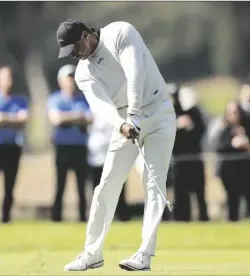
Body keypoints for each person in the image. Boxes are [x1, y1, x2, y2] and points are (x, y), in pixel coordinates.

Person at [56, 20, 176, 271]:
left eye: (75, 47)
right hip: (124, 122)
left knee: (154, 183)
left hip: (158, 111)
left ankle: (144, 254)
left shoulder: (120, 32)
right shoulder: (82, 72)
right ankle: (92, 253)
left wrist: (133, 115)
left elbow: (136, 73)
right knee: (107, 185)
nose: (75, 55)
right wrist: (123, 124)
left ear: (86, 35)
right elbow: (100, 106)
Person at [48, 64, 93, 222]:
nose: (71, 83)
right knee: (60, 185)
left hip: (80, 147)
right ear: (61, 81)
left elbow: (90, 119)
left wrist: (67, 117)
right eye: (68, 79)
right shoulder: (55, 99)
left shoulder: (84, 99)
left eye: (73, 79)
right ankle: (56, 217)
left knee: (82, 186)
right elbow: (56, 119)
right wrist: (77, 117)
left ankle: (82, 217)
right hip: (62, 147)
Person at [167, 83, 209, 222]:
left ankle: (203, 218)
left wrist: (190, 125)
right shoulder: (167, 114)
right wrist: (177, 126)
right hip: (178, 160)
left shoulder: (193, 111)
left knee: (199, 192)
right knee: (180, 193)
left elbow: (201, 131)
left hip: (195, 158)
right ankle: (182, 219)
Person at [216, 100, 250, 221]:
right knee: (232, 203)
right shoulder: (224, 131)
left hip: (248, 172)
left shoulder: (248, 128)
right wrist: (233, 144)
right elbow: (219, 148)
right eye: (230, 113)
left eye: (236, 112)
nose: (233, 115)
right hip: (230, 174)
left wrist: (246, 145)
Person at [0, 66, 29, 223]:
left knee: (10, 185)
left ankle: (5, 217)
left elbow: (23, 120)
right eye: (4, 78)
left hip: (13, 147)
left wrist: (3, 119)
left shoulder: (20, 100)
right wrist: (12, 119)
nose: (7, 82)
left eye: (9, 78)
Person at [87, 111, 132, 221]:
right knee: (98, 187)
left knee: (117, 185)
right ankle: (99, 215)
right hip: (96, 156)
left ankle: (121, 215)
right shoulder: (92, 108)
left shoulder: (116, 111)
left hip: (114, 153)